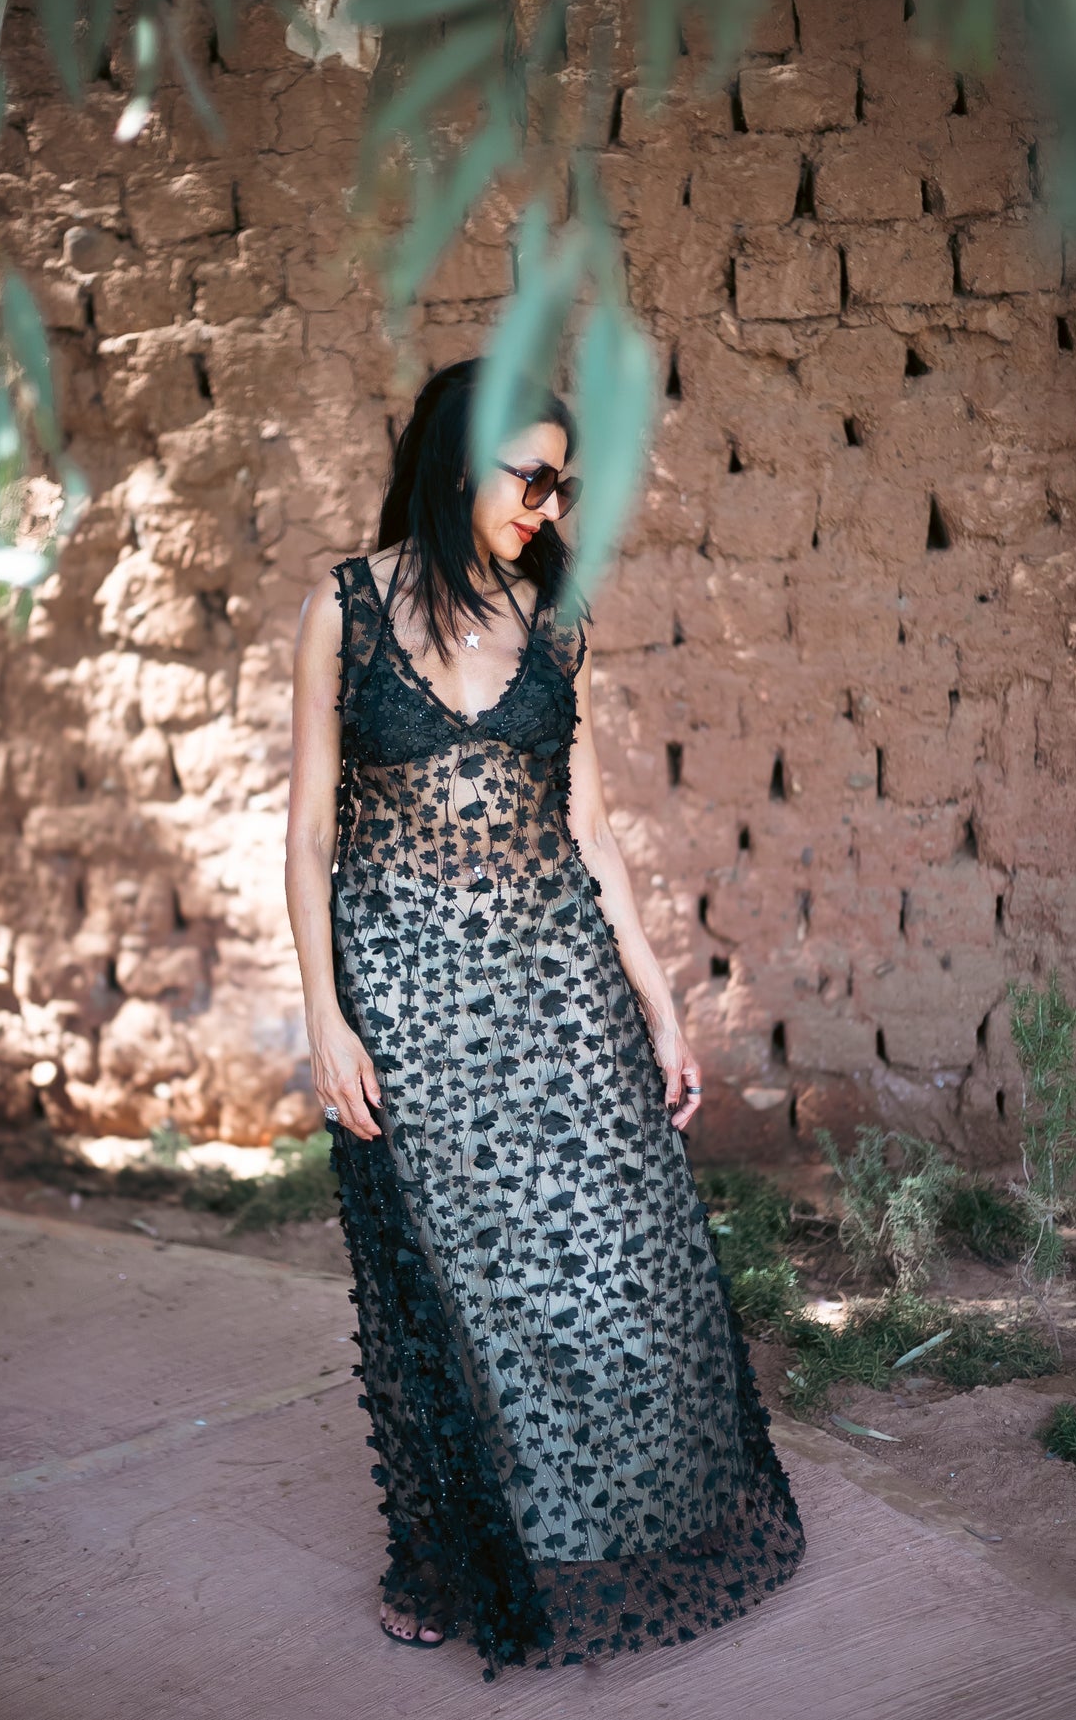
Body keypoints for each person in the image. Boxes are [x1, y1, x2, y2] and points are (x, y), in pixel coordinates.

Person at [284, 357, 806, 1680]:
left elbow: (587, 825)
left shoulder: (554, 617)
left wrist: (657, 997)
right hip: (406, 1000)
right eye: (530, 474)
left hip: (555, 987)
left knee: (607, 1264)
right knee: (452, 1288)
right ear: (459, 463)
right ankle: (446, 1555)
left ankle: (620, 1531)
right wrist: (324, 1017)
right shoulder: (343, 608)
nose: (545, 499)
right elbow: (302, 838)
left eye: (559, 481)